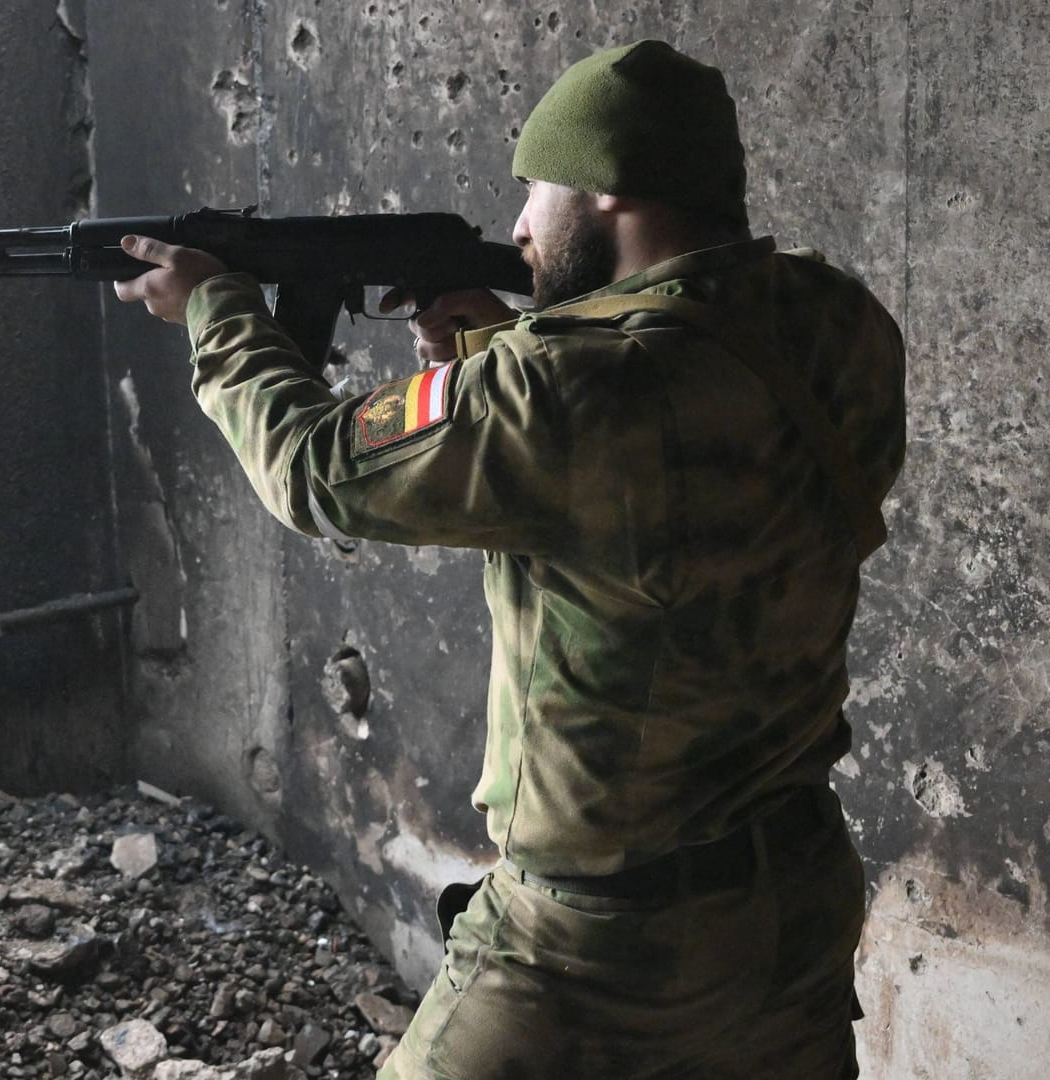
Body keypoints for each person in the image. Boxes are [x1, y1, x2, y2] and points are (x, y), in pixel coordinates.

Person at [112, 40, 905, 1079]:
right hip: (788, 906)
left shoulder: (561, 387)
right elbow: (656, 490)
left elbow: (314, 470)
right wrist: (498, 355)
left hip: (595, 946)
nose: (523, 224)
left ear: (612, 190)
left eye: (539, 188)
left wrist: (215, 310)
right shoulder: (834, 319)